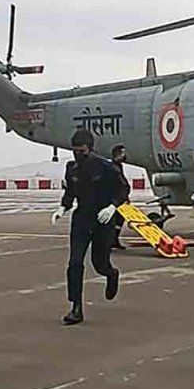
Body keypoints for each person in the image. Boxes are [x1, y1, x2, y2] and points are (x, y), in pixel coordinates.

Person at [51, 129, 130, 325]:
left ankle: (111, 274)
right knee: (75, 263)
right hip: (82, 219)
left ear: (91, 150)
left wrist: (113, 207)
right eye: (75, 151)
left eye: (82, 152)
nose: (78, 155)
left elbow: (123, 189)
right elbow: (70, 192)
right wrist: (62, 208)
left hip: (103, 219)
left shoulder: (106, 167)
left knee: (99, 263)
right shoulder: (72, 169)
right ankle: (76, 307)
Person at [110, 144, 130, 250]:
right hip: (115, 198)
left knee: (119, 220)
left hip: (119, 198)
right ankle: (110, 241)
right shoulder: (113, 167)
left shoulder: (119, 166)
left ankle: (114, 239)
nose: (124, 155)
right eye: (122, 153)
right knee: (114, 220)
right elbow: (119, 183)